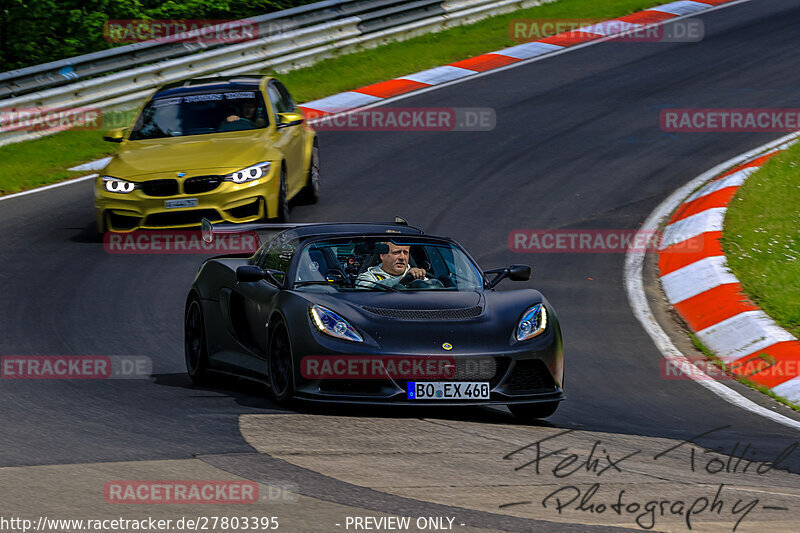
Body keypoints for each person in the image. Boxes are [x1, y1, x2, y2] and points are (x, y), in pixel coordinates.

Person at [356, 242, 426, 288]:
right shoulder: (367, 277)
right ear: (382, 255)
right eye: (396, 252)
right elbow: (367, 290)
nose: (402, 257)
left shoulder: (418, 277)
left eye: (405, 253)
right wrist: (403, 279)